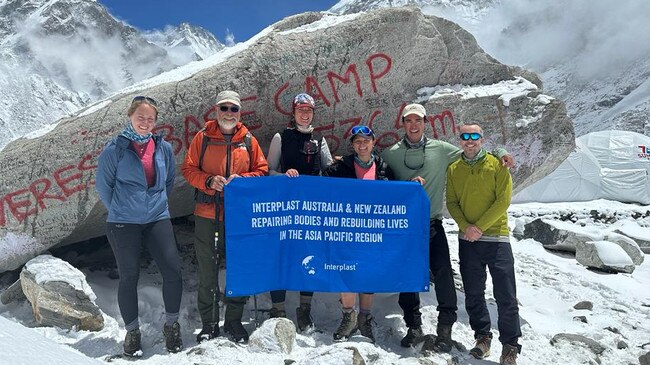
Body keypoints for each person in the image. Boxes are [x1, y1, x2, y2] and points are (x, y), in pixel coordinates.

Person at [380, 103, 515, 351]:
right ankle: (413, 325)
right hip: (404, 227)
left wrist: (500, 150)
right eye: (408, 120)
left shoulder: (441, 150)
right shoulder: (391, 153)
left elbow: (472, 151)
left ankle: (445, 326)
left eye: (417, 120)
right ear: (403, 123)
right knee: (408, 276)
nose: (413, 125)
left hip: (432, 223)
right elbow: (375, 171)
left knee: (443, 273)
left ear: (425, 123)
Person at [96, 95, 183, 356]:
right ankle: (132, 332)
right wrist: (121, 209)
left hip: (156, 216)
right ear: (130, 116)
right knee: (129, 276)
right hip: (123, 222)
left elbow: (168, 181)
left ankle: (172, 325)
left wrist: (155, 204)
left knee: (172, 270)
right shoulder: (115, 149)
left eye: (150, 119)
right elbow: (103, 185)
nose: (145, 123)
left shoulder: (163, 147)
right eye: (140, 117)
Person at [182, 90, 268, 343]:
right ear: (216, 110)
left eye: (234, 109)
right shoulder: (203, 137)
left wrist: (242, 180)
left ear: (240, 113)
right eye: (224, 108)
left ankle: (233, 320)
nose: (229, 113)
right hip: (207, 212)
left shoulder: (249, 141)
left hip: (238, 214)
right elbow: (188, 169)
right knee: (208, 269)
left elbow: (261, 171)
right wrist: (209, 181)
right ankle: (209, 323)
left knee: (238, 268)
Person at [446, 124, 521, 365]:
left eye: (474, 136)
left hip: (496, 238)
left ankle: (510, 346)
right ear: (460, 140)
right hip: (468, 240)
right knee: (474, 292)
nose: (470, 141)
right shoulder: (454, 168)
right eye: (465, 136)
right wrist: (466, 227)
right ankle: (482, 338)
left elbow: (503, 200)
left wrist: (479, 227)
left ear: (482, 139)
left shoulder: (497, 164)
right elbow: (452, 201)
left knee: (506, 294)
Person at [265, 93, 333, 331]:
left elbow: (329, 170)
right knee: (280, 256)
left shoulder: (320, 140)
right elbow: (268, 171)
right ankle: (278, 308)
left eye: (309, 110)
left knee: (310, 257)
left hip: (312, 211)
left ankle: (304, 309)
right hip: (285, 209)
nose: (305, 114)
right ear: (293, 113)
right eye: (300, 109)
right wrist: (283, 177)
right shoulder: (280, 137)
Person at [323, 125, 394, 343]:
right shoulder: (342, 166)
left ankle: (364, 318)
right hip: (346, 229)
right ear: (353, 145)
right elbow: (319, 184)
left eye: (366, 141)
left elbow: (396, 194)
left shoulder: (383, 167)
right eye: (357, 142)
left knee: (368, 273)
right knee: (346, 271)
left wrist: (412, 186)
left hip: (373, 231)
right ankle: (349, 316)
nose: (362, 145)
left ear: (374, 142)